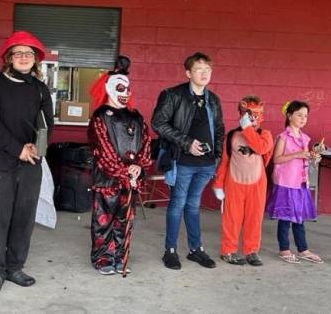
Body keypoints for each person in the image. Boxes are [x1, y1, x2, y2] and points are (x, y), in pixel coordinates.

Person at [0, 31, 53, 293]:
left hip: (31, 163)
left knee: (24, 218)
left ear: (35, 60)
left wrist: (36, 147)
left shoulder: (40, 89)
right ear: (9, 58)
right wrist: (16, 149)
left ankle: (15, 267)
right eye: (18, 53)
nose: (23, 57)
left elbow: (47, 124)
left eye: (29, 53)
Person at [151, 52, 224, 270]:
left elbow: (219, 129)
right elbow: (158, 123)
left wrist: (217, 155)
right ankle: (170, 250)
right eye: (199, 69)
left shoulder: (213, 100)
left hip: (206, 165)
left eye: (208, 69)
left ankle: (195, 249)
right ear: (188, 73)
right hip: (182, 161)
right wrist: (187, 143)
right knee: (177, 204)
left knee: (193, 205)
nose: (204, 73)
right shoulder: (173, 95)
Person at [87, 56, 152, 275]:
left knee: (124, 221)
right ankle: (103, 258)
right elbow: (103, 149)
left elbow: (145, 142)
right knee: (104, 221)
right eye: (120, 88)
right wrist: (124, 171)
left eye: (128, 88)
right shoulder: (100, 117)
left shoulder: (136, 117)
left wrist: (139, 167)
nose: (125, 93)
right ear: (108, 88)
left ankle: (119, 257)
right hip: (108, 180)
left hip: (129, 180)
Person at [213, 95, 273, 267]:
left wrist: (248, 129)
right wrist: (218, 184)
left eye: (256, 114)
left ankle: (251, 250)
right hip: (234, 182)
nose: (253, 118)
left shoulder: (266, 135)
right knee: (231, 218)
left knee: (254, 219)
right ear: (241, 114)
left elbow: (261, 148)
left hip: (257, 184)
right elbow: (225, 160)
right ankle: (228, 250)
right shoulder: (231, 135)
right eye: (248, 114)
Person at [265, 101, 322, 264]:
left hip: (300, 182)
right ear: (289, 116)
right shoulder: (283, 137)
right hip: (286, 182)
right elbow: (276, 159)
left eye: (306, 116)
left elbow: (304, 158)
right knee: (285, 217)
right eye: (299, 115)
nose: (303, 118)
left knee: (299, 218)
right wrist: (298, 154)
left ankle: (303, 249)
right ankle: (284, 249)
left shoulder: (305, 138)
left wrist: (313, 158)